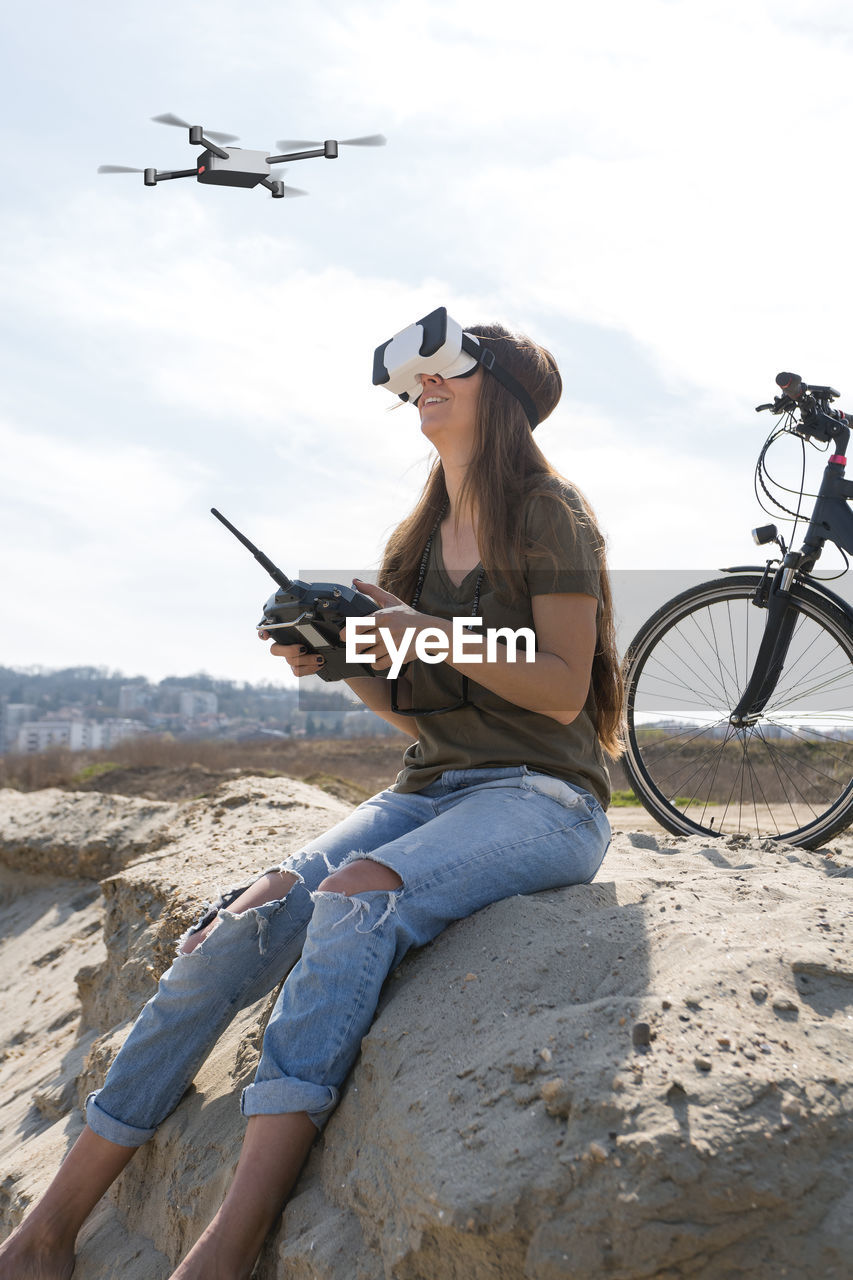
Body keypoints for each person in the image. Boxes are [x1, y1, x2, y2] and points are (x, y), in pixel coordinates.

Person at [0, 317, 623, 1280]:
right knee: (227, 937)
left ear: (498, 390)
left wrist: (421, 627)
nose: (422, 387)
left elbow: (558, 684)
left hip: (547, 798)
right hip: (433, 787)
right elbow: (417, 716)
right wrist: (337, 658)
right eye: (412, 379)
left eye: (444, 370)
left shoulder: (550, 512)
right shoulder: (415, 540)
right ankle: (46, 1231)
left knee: (353, 897)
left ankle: (229, 1241)